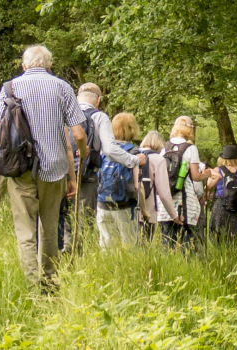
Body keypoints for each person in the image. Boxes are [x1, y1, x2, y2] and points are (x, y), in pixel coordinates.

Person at [0, 45, 89, 293]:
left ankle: (32, 289)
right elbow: (77, 134)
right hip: (54, 169)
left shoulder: (10, 87)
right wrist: (81, 158)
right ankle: (50, 285)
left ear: (24, 66)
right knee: (50, 228)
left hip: (18, 168)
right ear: (50, 65)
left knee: (25, 232)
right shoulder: (62, 87)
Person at [58, 83, 147, 253]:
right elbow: (110, 149)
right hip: (86, 176)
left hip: (60, 173)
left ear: (77, 98)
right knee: (84, 222)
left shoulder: (63, 113)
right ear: (98, 100)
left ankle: (61, 255)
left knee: (62, 218)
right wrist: (133, 160)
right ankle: (79, 260)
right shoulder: (99, 117)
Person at [157, 116, 213, 250]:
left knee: (167, 243)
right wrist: (206, 174)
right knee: (187, 245)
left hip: (165, 203)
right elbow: (195, 176)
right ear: (189, 130)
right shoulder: (190, 149)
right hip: (185, 203)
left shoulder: (164, 148)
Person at [96, 113, 140, 249]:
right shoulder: (134, 151)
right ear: (132, 129)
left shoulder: (104, 151)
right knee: (128, 244)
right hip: (125, 206)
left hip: (102, 203)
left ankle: (105, 269)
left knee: (106, 244)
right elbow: (137, 185)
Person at [138, 131, 181, 241]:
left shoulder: (133, 155)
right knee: (144, 248)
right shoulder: (158, 160)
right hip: (148, 212)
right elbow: (164, 193)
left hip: (129, 211)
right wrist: (174, 216)